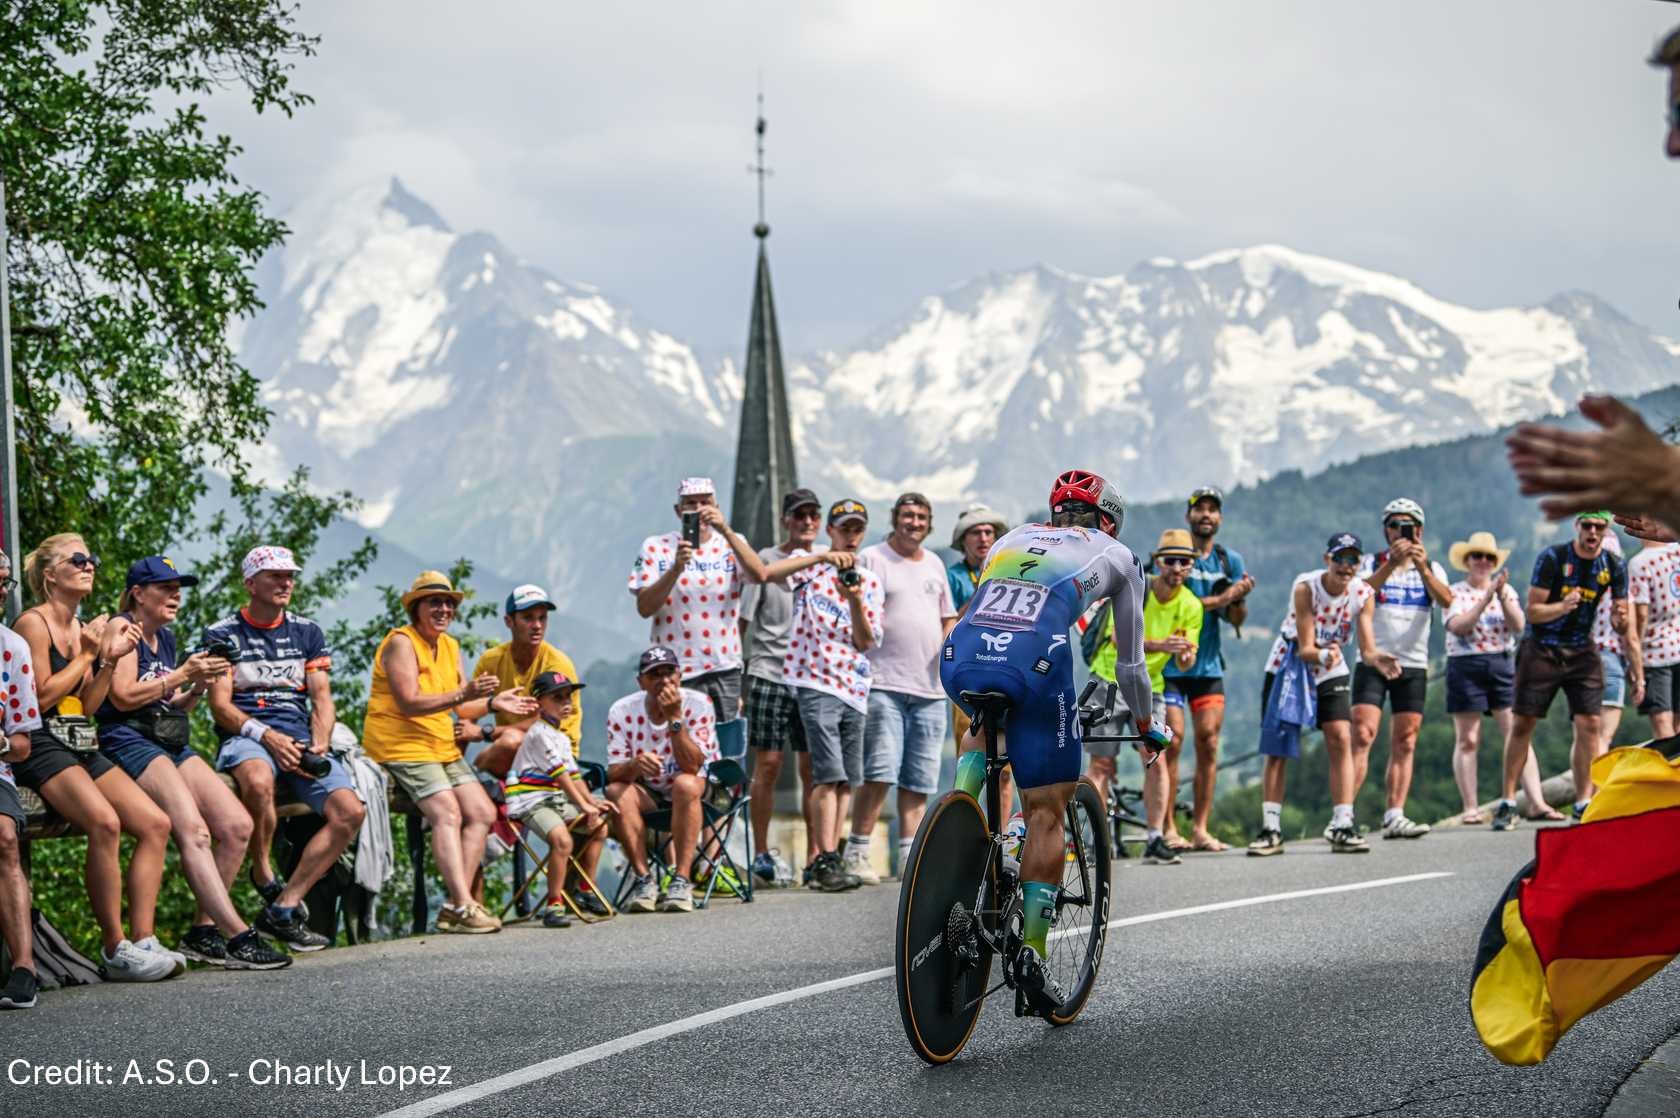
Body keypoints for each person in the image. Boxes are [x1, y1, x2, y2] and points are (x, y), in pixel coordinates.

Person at [942, 469, 1168, 1012]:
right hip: (1037, 665)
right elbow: (1131, 663)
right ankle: (1034, 953)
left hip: (960, 655)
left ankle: (959, 835)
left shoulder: (1011, 536)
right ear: (1110, 521)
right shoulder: (1118, 556)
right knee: (1046, 807)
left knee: (984, 729)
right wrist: (1143, 723)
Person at [96, 557, 290, 969]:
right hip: (127, 738)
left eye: (178, 587)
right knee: (195, 830)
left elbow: (169, 702)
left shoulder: (163, 636)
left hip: (166, 737)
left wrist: (198, 687)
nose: (176, 595)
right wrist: (184, 671)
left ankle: (203, 932)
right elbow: (122, 697)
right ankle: (238, 935)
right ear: (138, 594)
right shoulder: (122, 627)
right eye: (165, 587)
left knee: (237, 826)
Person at [13, 536, 180, 980]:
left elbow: (85, 705)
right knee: (105, 823)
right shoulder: (33, 624)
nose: (90, 566)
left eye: (93, 559)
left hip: (78, 737)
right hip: (41, 740)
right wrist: (89, 652)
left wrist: (107, 661)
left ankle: (144, 939)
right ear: (50, 575)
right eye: (79, 560)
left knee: (155, 823)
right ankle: (114, 947)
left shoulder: (83, 624)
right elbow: (40, 699)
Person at [203, 545, 365, 952]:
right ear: (251, 582)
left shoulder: (307, 631)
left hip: (298, 737)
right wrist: (268, 738)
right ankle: (262, 870)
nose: (286, 582)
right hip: (248, 736)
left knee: (350, 812)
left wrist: (320, 741)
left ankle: (284, 906)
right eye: (275, 575)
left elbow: (322, 698)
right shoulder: (223, 633)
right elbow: (221, 707)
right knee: (257, 782)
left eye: (289, 575)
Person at [363, 570, 535, 933]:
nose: (443, 609)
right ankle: (463, 903)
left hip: (440, 744)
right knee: (448, 813)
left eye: (448, 603)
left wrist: (491, 702)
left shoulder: (451, 646)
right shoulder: (401, 643)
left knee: (483, 812)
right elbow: (410, 703)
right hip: (402, 745)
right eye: (434, 602)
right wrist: (465, 693)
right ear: (417, 608)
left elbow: (462, 708)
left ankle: (458, 906)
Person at [1493, 513, 1642, 830]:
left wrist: (1621, 619)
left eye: (1598, 527)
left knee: (1590, 723)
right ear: (1577, 527)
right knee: (1523, 723)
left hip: (1581, 647)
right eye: (1586, 526)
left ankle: (1584, 800)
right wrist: (1562, 606)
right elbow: (1533, 611)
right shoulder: (1555, 557)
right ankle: (1507, 801)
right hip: (1542, 646)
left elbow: (1621, 621)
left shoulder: (1613, 566)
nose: (1592, 532)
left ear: (1605, 530)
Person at [763, 498, 883, 893]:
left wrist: (852, 600)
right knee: (826, 775)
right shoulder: (809, 565)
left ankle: (834, 855)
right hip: (814, 682)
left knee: (847, 778)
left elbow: (866, 641)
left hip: (854, 685)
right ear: (830, 531)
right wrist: (823, 559)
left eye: (856, 530)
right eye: (843, 528)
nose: (850, 536)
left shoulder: (870, 581)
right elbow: (769, 572)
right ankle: (825, 857)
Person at [1251, 534, 1388, 856]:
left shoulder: (1363, 593)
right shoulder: (1306, 588)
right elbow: (1308, 647)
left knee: (1341, 735)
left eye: (1353, 560)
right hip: (1291, 663)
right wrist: (1325, 655)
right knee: (1279, 744)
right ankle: (1271, 828)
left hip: (1330, 666)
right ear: (1327, 559)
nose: (1345, 566)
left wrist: (1377, 657)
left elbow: (1367, 648)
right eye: (1340, 558)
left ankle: (1343, 822)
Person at [848, 493, 955, 883]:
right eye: (907, 516)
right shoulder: (873, 559)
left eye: (921, 517)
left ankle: (910, 857)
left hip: (929, 687)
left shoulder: (934, 563)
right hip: (883, 683)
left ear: (930, 524)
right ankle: (858, 851)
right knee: (879, 771)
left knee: (919, 778)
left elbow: (947, 616)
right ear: (894, 519)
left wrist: (949, 642)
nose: (914, 523)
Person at [1351, 498, 1451, 840]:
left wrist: (1422, 569)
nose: (1400, 531)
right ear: (1385, 530)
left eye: (1406, 525)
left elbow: (1448, 601)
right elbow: (1357, 596)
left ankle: (1394, 814)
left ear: (1419, 531)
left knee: (1406, 740)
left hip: (1414, 662)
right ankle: (1344, 814)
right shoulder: (1370, 562)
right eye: (1393, 525)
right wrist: (1389, 567)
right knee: (1363, 734)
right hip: (1374, 659)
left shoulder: (1432, 567)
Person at [629, 476, 769, 722]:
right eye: (691, 503)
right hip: (675, 668)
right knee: (681, 741)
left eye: (706, 503)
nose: (699, 509)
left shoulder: (733, 543)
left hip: (724, 665)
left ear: (716, 508)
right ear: (678, 510)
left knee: (726, 748)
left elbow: (759, 575)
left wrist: (725, 529)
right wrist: (675, 569)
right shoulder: (656, 546)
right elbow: (644, 607)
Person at [1443, 532, 1559, 824]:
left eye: (1489, 557)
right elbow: (1458, 626)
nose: (1483, 562)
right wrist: (1485, 598)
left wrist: (1502, 596)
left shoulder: (1507, 592)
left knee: (1517, 732)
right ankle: (1470, 807)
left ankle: (1535, 800)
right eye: (1477, 556)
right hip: (1465, 664)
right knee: (1468, 738)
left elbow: (1519, 625)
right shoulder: (1454, 592)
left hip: (1502, 662)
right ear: (1467, 561)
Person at [1163, 486, 1253, 852]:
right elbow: (1179, 602)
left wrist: (1238, 599)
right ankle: (1168, 826)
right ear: (1188, 516)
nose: (1206, 515)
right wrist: (1225, 597)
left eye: (1213, 509)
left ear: (1220, 518)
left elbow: (1237, 617)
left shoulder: (1228, 560)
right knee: (1171, 742)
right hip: (1169, 664)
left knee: (1210, 744)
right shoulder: (1177, 556)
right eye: (1199, 509)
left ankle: (1200, 828)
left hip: (1208, 664)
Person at [739, 488, 822, 885]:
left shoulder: (827, 559)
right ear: (786, 520)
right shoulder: (765, 561)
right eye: (799, 515)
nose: (807, 521)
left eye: (812, 515)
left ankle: (814, 857)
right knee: (767, 765)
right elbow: (742, 622)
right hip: (769, 671)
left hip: (813, 676)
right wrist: (742, 679)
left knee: (812, 769)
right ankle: (760, 853)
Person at [604, 647, 720, 914]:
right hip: (652, 795)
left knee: (684, 783)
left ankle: (682, 879)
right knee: (615, 790)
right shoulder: (622, 711)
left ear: (679, 676)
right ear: (641, 682)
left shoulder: (699, 703)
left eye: (669, 672)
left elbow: (692, 766)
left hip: (697, 791)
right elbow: (612, 772)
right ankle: (644, 879)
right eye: (654, 674)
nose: (664, 680)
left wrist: (675, 719)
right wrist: (634, 765)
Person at [503, 671, 615, 926]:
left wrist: (592, 803)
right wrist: (585, 805)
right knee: (562, 840)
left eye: (569, 697)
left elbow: (575, 777)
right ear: (539, 702)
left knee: (599, 827)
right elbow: (562, 776)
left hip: (553, 799)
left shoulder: (561, 737)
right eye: (558, 698)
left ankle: (586, 889)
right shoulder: (539, 734)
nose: (567, 703)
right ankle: (554, 904)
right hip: (531, 801)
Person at [1130, 530, 1203, 866]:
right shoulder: (1139, 590)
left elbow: (1186, 658)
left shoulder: (1191, 605)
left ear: (1191, 566)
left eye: (1184, 561)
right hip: (1111, 676)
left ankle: (1155, 838)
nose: (1176, 567)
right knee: (1102, 762)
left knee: (1156, 753)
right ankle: (1092, 842)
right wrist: (1162, 645)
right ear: (1157, 562)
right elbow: (1119, 639)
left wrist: (1185, 655)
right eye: (1169, 560)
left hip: (1152, 683)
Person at [462, 584, 584, 779]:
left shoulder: (557, 664)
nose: (537, 625)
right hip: (515, 752)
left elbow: (545, 722)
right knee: (471, 729)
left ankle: (473, 779)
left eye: (542, 618)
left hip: (558, 754)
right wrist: (461, 741)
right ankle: (460, 779)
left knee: (509, 740)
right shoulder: (491, 660)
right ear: (509, 621)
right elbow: (467, 710)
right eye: (528, 618)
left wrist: (486, 732)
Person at [0, 612, 44, 1008]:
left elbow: (22, 745)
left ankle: (24, 966)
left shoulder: (12, 646)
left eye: (3, 584)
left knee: (4, 836)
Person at [1631, 533, 1680, 738]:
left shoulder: (1640, 563)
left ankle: (1670, 769)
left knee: (1662, 723)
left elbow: (1641, 614)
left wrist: (1635, 655)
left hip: (1654, 652)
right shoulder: (1677, 552)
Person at [1594, 530, 1632, 755]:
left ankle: (1584, 790)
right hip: (1610, 657)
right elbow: (1631, 636)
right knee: (1603, 738)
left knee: (1584, 735)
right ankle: (1599, 790)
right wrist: (1637, 673)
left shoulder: (1577, 586)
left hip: (1580, 660)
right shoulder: (1622, 592)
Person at [946, 504, 1008, 615]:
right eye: (976, 533)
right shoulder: (952, 577)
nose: (983, 539)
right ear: (963, 540)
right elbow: (949, 624)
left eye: (988, 532)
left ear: (995, 537)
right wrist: (979, 590)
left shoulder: (1007, 570)